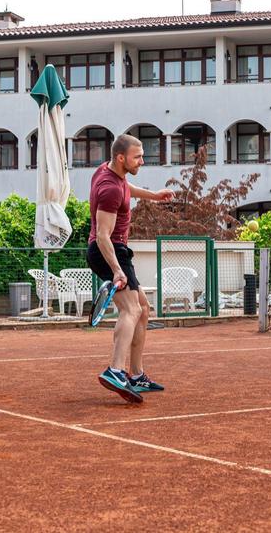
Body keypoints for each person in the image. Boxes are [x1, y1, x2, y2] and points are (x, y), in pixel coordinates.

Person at [87, 134, 174, 403]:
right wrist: (117, 270)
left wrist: (155, 196)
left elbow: (127, 188)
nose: (143, 161)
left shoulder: (111, 171)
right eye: (138, 156)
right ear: (121, 158)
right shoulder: (109, 188)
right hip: (109, 251)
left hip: (118, 251)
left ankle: (136, 375)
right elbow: (102, 236)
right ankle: (115, 370)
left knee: (144, 310)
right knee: (131, 309)